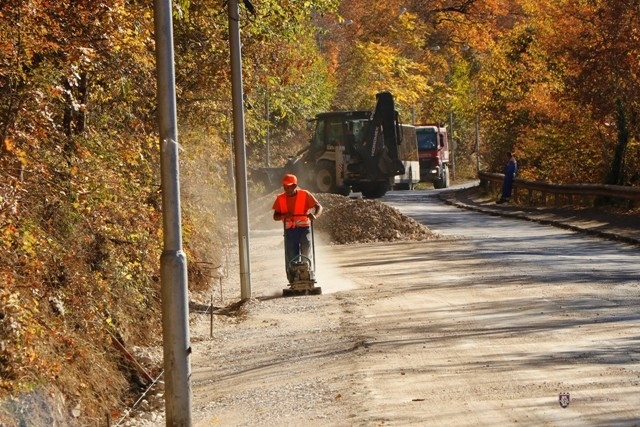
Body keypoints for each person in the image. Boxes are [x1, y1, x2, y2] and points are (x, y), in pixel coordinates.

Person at [273, 174, 323, 282]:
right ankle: (293, 277)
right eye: (285, 187)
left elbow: (318, 206)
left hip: (304, 228)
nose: (287, 189)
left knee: (306, 250)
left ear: (295, 185)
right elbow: (275, 216)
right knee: (291, 255)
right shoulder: (280, 199)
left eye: (289, 186)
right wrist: (283, 216)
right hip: (290, 231)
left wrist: (314, 215)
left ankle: (307, 273)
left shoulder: (305, 194)